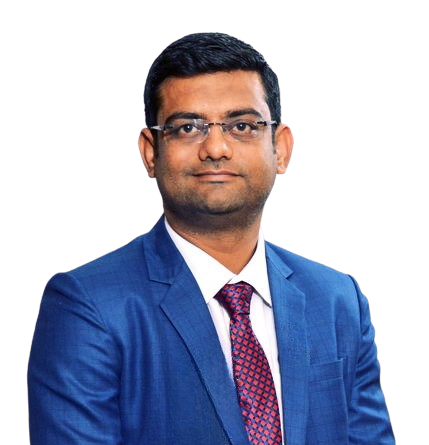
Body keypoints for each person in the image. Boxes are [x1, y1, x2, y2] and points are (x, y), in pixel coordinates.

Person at [27, 32, 395, 445]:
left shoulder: (337, 299)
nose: (216, 148)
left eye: (242, 126)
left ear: (281, 148)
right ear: (151, 152)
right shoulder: (88, 304)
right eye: (188, 127)